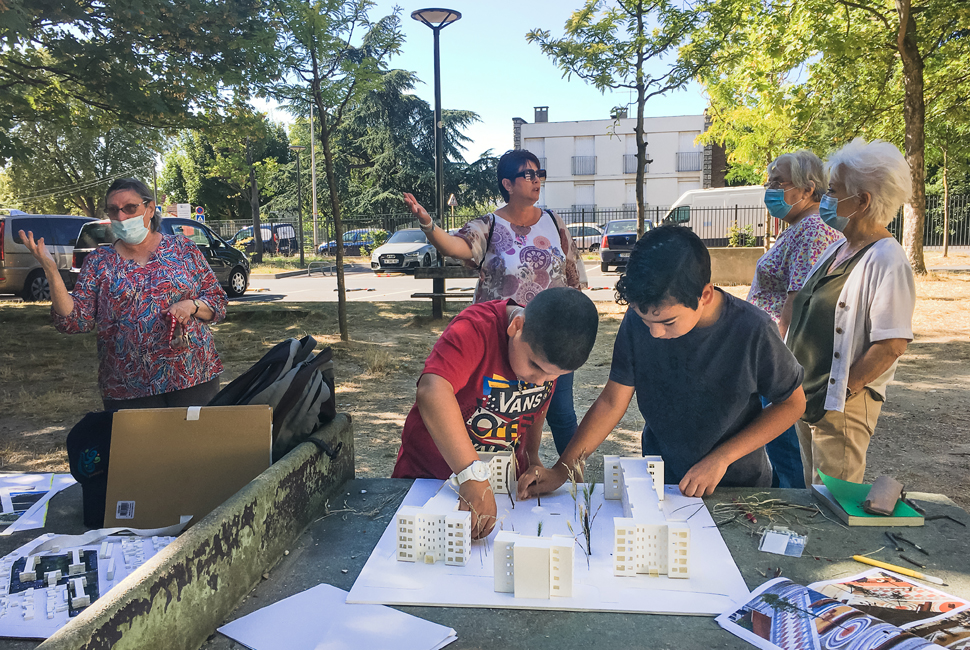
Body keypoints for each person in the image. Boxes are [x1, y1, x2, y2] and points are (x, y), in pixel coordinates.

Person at [518, 225, 806, 500]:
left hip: (737, 485)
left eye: (667, 322)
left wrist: (722, 458)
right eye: (646, 321)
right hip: (663, 481)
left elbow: (793, 403)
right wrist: (562, 469)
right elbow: (611, 402)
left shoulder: (754, 330)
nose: (654, 332)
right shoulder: (638, 321)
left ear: (704, 295)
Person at [402, 149, 588, 455]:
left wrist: (574, 327)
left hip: (552, 335)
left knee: (561, 414)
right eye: (527, 175)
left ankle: (574, 479)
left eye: (539, 173)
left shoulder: (555, 223)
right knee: (499, 414)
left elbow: (571, 276)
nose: (536, 180)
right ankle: (490, 471)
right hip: (503, 340)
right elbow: (456, 248)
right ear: (508, 184)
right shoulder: (489, 225)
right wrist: (428, 225)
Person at [391, 287, 599, 539]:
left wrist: (531, 454)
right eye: (534, 366)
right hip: (429, 478)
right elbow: (432, 390)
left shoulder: (542, 356)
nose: (538, 381)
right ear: (517, 326)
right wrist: (472, 476)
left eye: (553, 376)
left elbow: (537, 402)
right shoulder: (475, 328)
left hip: (500, 486)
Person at [20, 178, 227, 409]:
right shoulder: (99, 262)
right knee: (139, 447)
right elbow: (74, 321)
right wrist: (51, 270)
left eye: (130, 208)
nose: (121, 216)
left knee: (195, 444)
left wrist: (192, 306)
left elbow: (217, 301)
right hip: (127, 386)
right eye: (113, 210)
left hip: (192, 375)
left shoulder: (183, 249)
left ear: (149, 209)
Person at [787, 138, 916, 486]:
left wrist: (841, 393)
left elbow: (892, 344)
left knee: (834, 498)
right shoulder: (839, 247)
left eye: (834, 190)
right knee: (811, 495)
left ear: (862, 201)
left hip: (839, 406)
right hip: (809, 398)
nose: (826, 198)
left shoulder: (887, 258)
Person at [747, 150, 843, 489]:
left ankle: (788, 510)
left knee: (783, 450)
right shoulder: (798, 228)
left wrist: (778, 361)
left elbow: (797, 300)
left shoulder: (812, 231)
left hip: (779, 358)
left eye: (779, 182)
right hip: (770, 352)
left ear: (807, 189)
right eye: (769, 181)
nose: (770, 189)